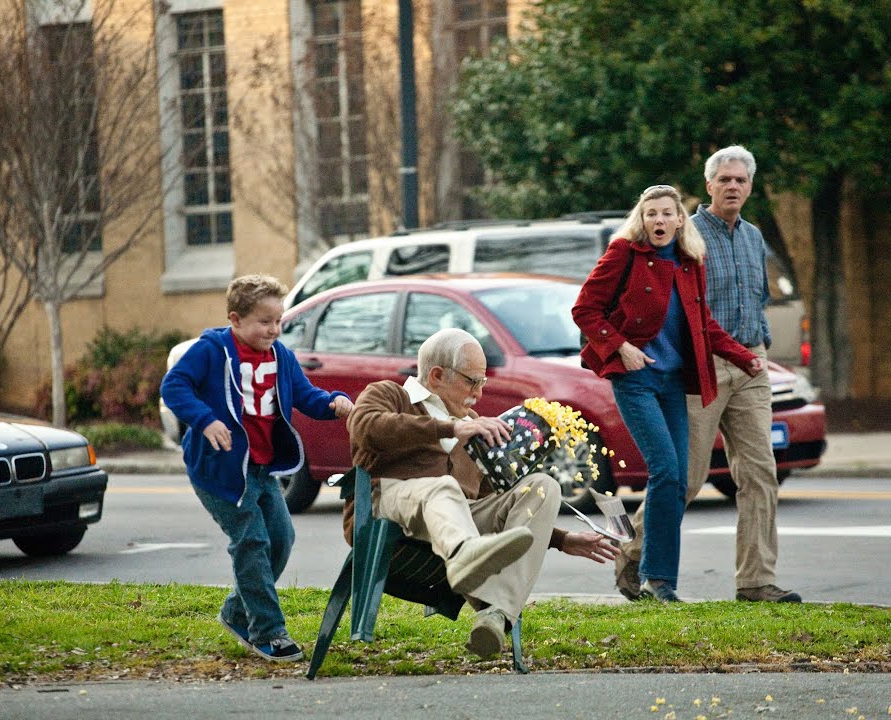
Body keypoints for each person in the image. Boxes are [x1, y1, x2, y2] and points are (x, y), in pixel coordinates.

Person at [345, 327, 618, 658]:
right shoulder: (390, 394)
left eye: (483, 383)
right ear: (436, 375)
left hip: (457, 517)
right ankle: (465, 554)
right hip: (386, 507)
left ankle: (494, 612)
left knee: (543, 486)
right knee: (443, 487)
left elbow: (492, 498)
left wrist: (560, 539)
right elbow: (365, 427)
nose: (478, 393)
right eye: (471, 381)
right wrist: (451, 428)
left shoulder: (473, 423)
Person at [615, 146, 804, 604]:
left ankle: (756, 581)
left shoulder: (754, 237)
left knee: (760, 472)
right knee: (687, 475)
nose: (733, 187)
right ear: (709, 186)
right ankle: (634, 557)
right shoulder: (686, 234)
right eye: (725, 180)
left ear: (750, 186)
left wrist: (755, 352)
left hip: (748, 361)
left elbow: (756, 300)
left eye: (741, 180)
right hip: (701, 366)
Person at [573, 185, 762, 603]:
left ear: (680, 220)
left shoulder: (690, 263)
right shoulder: (624, 253)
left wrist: (743, 356)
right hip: (636, 379)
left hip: (675, 381)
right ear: (642, 220)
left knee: (677, 484)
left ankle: (655, 578)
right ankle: (657, 581)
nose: (658, 221)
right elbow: (585, 309)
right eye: (650, 214)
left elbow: (702, 324)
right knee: (666, 472)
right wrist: (621, 347)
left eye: (666, 214)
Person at [160, 273, 355, 663]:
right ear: (235, 320)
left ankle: (235, 613)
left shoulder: (279, 355)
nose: (273, 329)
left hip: (264, 468)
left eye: (278, 321)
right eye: (264, 322)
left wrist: (333, 401)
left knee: (281, 540)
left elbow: (304, 395)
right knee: (251, 541)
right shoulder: (212, 350)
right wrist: (205, 419)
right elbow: (174, 386)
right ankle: (267, 632)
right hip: (221, 470)